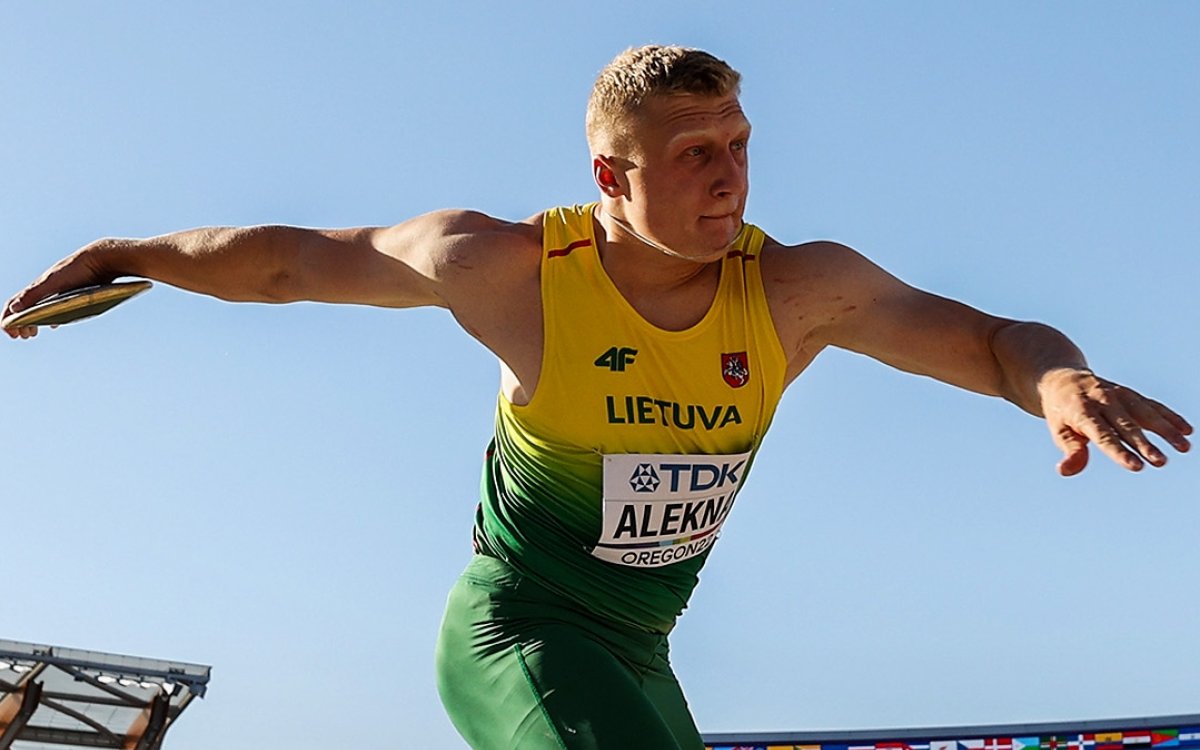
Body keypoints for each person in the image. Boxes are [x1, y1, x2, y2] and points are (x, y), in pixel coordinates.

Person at [4, 45, 1191, 750]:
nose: (731, 179)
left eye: (738, 144)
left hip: (644, 649)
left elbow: (988, 338)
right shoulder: (504, 269)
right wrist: (130, 252)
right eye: (693, 156)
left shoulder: (796, 290)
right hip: (520, 628)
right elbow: (286, 261)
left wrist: (1055, 378)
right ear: (609, 175)